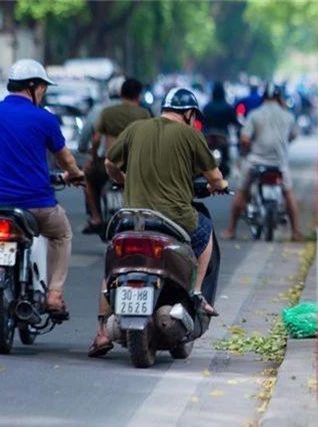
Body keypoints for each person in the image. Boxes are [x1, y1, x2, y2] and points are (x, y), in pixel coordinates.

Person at [87, 87, 228, 357]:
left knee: (111, 267)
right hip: (174, 219)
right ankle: (197, 294)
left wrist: (123, 180)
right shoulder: (191, 135)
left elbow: (109, 163)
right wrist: (219, 185)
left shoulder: (135, 128)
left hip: (131, 219)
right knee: (206, 232)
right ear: (188, 114)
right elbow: (214, 175)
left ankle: (102, 332)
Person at [0, 59, 84, 315]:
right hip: (38, 206)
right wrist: (74, 174)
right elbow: (66, 159)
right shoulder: (44, 119)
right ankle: (54, 295)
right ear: (32, 87)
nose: (43, 93)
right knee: (62, 235)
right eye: (43, 88)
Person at [221, 83, 303, 241]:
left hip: (256, 161)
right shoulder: (288, 115)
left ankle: (231, 229)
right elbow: (293, 135)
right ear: (279, 98)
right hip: (280, 163)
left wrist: (245, 150)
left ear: (263, 97)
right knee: (288, 193)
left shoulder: (254, 114)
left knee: (241, 190)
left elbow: (244, 139)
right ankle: (295, 231)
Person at [81, 78, 150, 234]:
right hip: (134, 166)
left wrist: (92, 157)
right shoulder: (144, 114)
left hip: (108, 164)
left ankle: (96, 217)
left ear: (121, 93)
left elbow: (97, 139)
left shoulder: (107, 112)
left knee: (87, 178)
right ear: (138, 96)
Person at [202, 81, 240, 176]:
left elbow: (201, 122)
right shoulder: (228, 107)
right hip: (222, 137)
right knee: (226, 159)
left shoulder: (207, 107)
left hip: (208, 137)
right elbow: (235, 122)